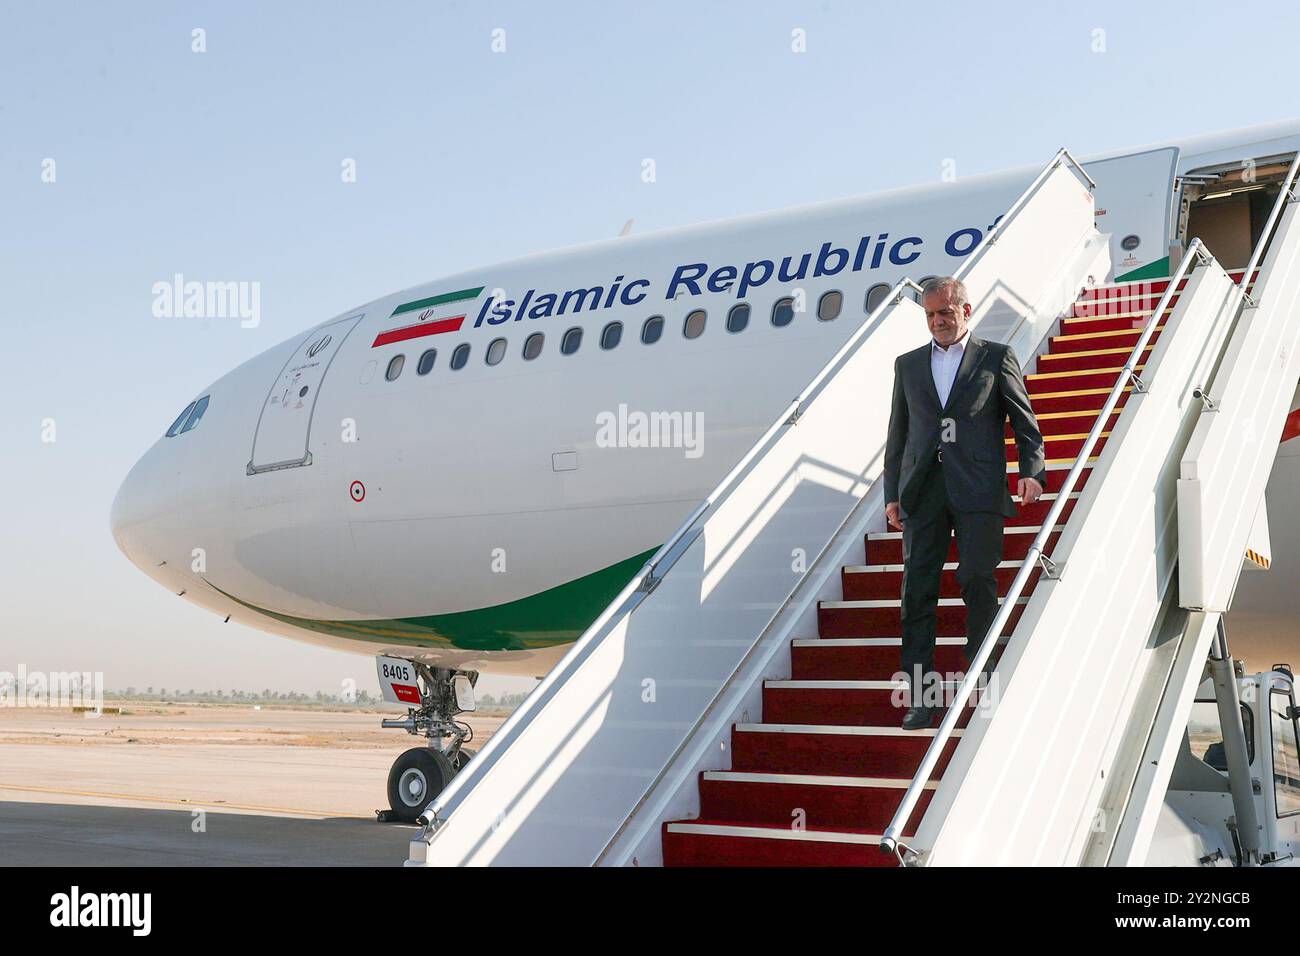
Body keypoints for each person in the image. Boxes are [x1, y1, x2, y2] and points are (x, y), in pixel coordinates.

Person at [883, 276, 1047, 730]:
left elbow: (1023, 419)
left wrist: (1031, 470)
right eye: (930, 315)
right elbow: (899, 435)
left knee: (976, 577)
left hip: (978, 488)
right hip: (922, 492)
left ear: (966, 312)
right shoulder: (908, 364)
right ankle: (921, 697)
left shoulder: (995, 358)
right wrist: (892, 494)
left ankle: (981, 671)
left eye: (946, 314)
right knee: (917, 593)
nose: (937, 322)